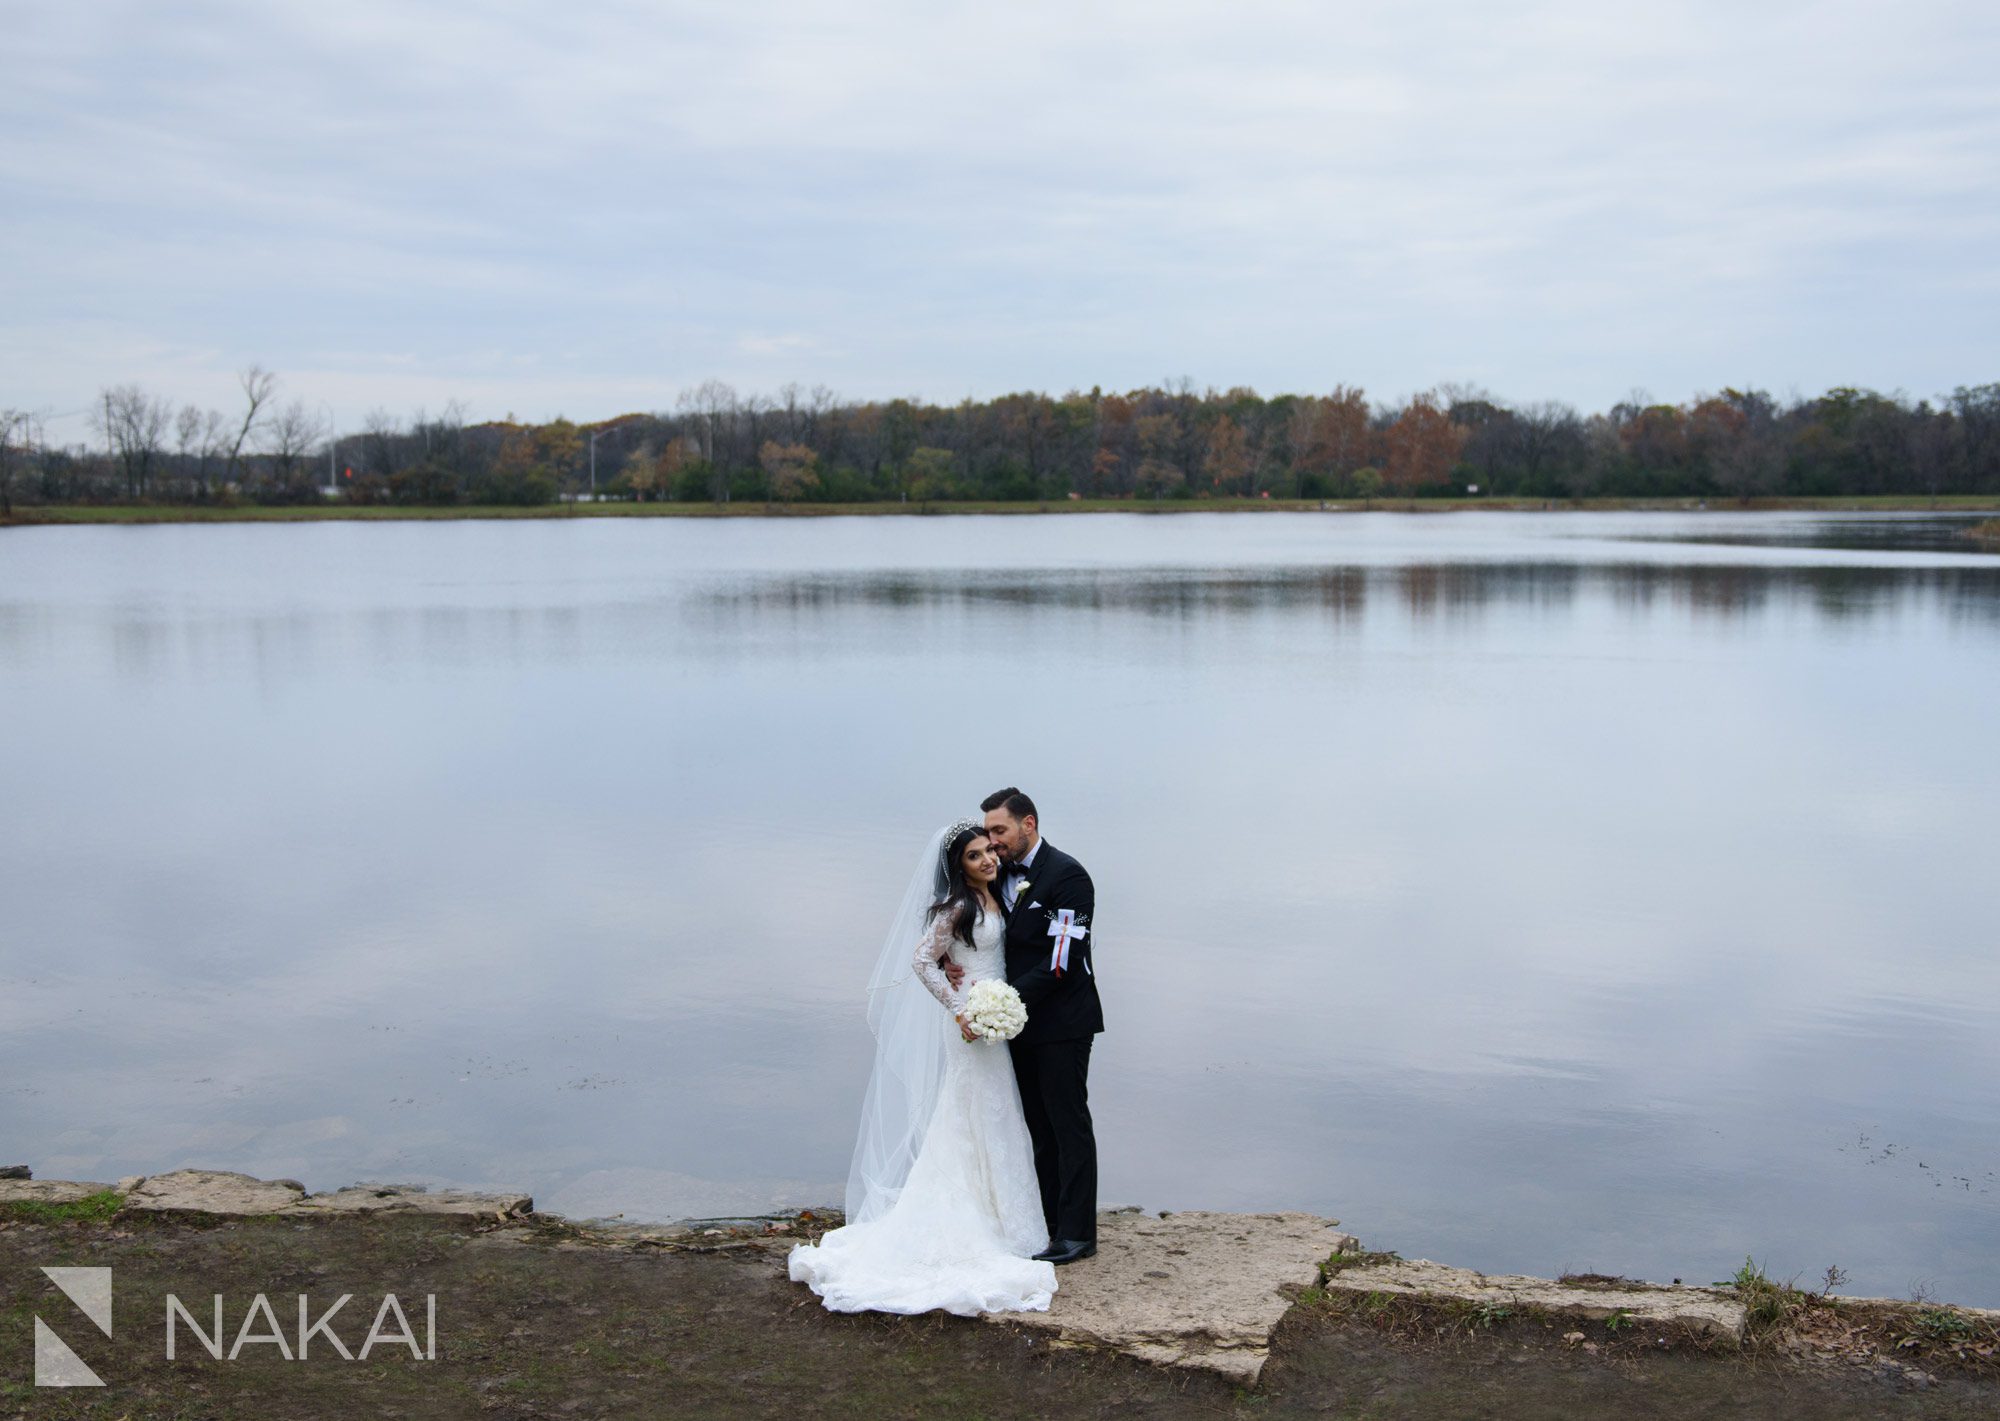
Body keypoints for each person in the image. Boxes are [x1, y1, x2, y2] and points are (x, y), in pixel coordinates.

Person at [787, 821, 1057, 1315]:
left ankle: (1008, 1219)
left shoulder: (997, 896)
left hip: (993, 1019)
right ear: (959, 866)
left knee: (995, 1113)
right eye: (974, 856)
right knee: (971, 1112)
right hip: (972, 1024)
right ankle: (978, 1220)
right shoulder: (958, 907)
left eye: (988, 851)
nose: (988, 860)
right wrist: (960, 1009)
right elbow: (921, 960)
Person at [966, 788, 1102, 1265]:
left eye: (999, 830)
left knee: (1068, 1125)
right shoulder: (996, 872)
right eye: (988, 833)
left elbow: (1064, 959)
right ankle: (1045, 1222)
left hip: (1063, 1022)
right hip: (1016, 1026)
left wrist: (1001, 1000)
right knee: (1036, 1128)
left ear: (1028, 824)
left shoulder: (1068, 876)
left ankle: (1078, 1234)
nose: (993, 841)